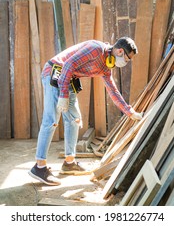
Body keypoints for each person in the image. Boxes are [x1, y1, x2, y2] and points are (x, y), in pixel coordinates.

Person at [28, 37, 143, 185]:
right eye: (127, 59)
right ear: (120, 51)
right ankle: (39, 167)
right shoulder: (95, 49)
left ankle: (69, 163)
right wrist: (63, 94)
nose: (126, 63)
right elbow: (68, 64)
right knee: (51, 121)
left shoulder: (106, 67)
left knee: (74, 120)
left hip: (68, 78)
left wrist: (129, 112)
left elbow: (113, 91)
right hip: (54, 71)